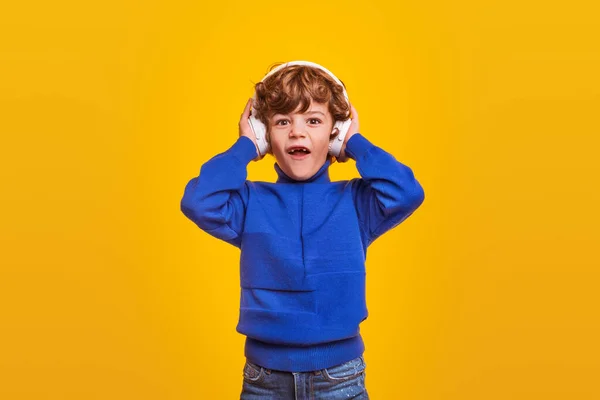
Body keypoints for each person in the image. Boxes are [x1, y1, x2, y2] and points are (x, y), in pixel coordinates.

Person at [180, 61, 425, 399]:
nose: (297, 132)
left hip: (340, 378)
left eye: (313, 121)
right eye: (282, 122)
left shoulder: (357, 203)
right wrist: (245, 147)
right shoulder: (250, 202)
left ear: (334, 132)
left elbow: (407, 192)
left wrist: (354, 144)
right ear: (266, 135)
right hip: (264, 380)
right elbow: (198, 201)